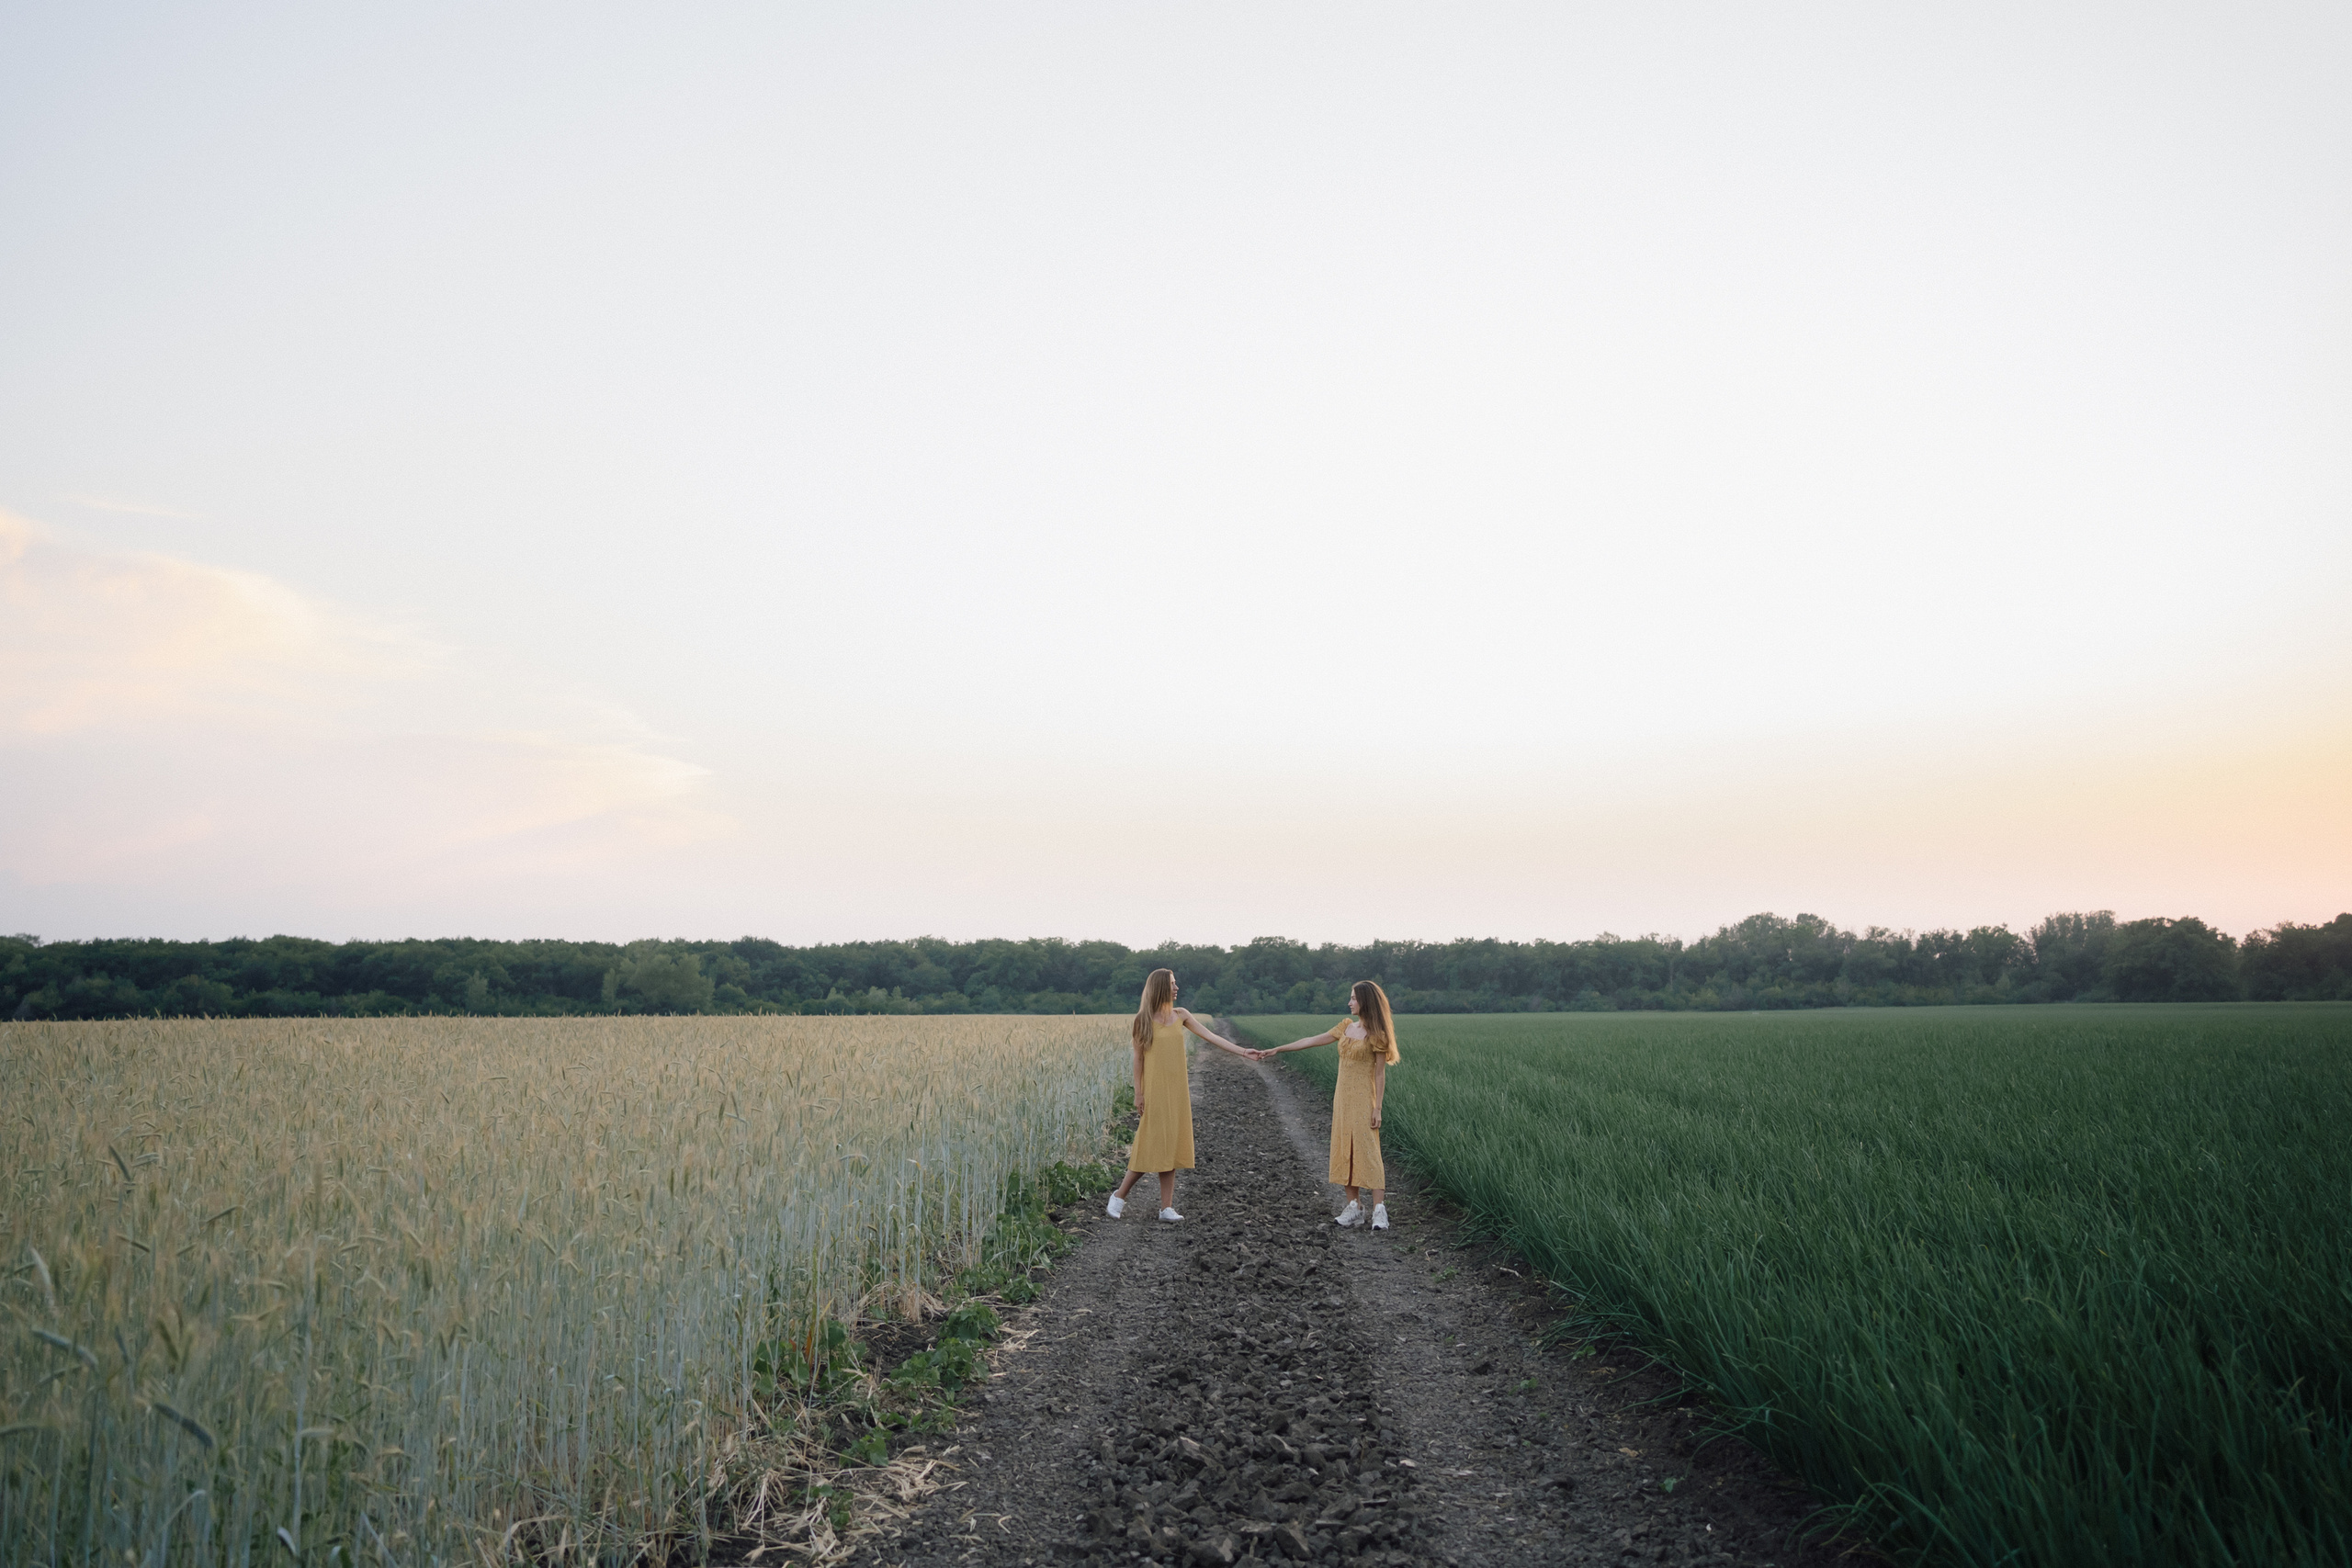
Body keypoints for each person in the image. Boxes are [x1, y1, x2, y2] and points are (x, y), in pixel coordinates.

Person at [1107, 968, 1261, 1222]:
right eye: (1172, 984)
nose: (1177, 988)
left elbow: (1211, 1036)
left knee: (1171, 1145)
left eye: (1176, 983)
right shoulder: (1142, 1020)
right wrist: (1139, 1094)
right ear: (1160, 987)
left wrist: (1243, 1052)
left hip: (1177, 1091)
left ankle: (1166, 1208)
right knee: (1150, 1144)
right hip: (1155, 1091)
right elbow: (1138, 1060)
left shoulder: (1181, 1015)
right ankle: (1119, 1196)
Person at [1261, 981, 1400, 1229]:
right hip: (1342, 1100)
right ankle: (1354, 1208)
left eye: (1353, 998)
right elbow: (1312, 1040)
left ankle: (1379, 1210)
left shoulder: (1377, 1034)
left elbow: (1380, 1074)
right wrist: (1278, 1049)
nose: (1349, 1003)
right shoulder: (1346, 1027)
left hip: (1364, 1101)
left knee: (1369, 1151)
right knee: (1345, 1149)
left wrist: (1377, 1108)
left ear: (1366, 1001)